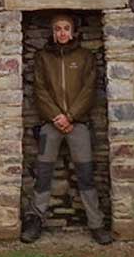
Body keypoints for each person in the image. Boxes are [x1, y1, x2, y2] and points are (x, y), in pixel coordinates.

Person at [22, 14, 113, 245]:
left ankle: (96, 223)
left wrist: (70, 116)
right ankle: (35, 219)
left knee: (86, 174)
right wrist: (56, 117)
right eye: (57, 29)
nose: (62, 33)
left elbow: (89, 89)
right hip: (49, 124)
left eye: (66, 28)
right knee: (42, 174)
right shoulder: (43, 57)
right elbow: (40, 89)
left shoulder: (85, 57)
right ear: (53, 32)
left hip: (78, 123)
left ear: (72, 31)